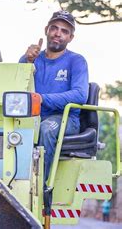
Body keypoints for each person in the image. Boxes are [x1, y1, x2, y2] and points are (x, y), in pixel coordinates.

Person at [19, 10, 88, 182]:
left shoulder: (76, 61)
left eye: (65, 31)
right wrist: (26, 62)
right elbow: (18, 86)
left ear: (71, 37)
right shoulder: (32, 58)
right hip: (32, 117)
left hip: (65, 118)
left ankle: (41, 189)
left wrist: (43, 98)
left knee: (46, 129)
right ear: (46, 30)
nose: (58, 33)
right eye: (54, 28)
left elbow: (80, 95)